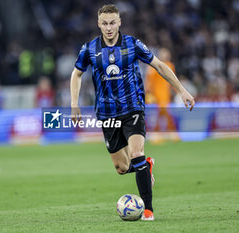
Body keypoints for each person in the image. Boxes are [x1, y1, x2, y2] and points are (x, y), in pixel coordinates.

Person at [70, 4, 195, 221]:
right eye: (105, 23)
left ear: (119, 22)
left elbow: (160, 66)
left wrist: (182, 90)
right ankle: (145, 167)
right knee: (122, 167)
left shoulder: (132, 44)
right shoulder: (89, 49)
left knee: (136, 153)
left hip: (132, 108)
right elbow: (76, 74)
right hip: (107, 114)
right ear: (99, 24)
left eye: (113, 22)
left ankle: (148, 210)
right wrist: (74, 104)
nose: (109, 27)